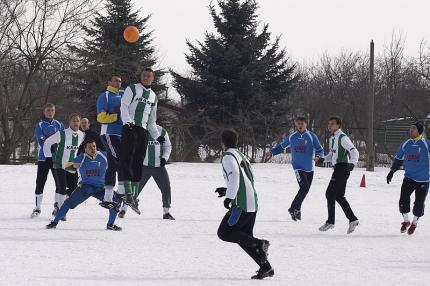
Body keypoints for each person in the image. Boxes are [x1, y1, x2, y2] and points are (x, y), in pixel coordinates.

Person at [216, 129, 274, 280]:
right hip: (251, 201)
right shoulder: (240, 154)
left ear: (222, 142)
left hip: (241, 204)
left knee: (224, 233)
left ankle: (260, 243)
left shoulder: (228, 157)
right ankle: (266, 268)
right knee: (243, 238)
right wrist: (227, 190)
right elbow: (246, 177)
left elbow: (235, 175)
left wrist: (229, 196)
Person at [46, 140, 122, 231]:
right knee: (67, 203)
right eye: (89, 147)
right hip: (86, 188)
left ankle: (110, 224)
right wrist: (73, 165)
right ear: (85, 149)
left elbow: (116, 158)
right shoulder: (81, 158)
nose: (92, 148)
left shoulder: (104, 155)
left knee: (116, 201)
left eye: (94, 146)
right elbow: (67, 167)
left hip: (101, 188)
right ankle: (54, 222)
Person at [118, 68, 165, 214]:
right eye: (144, 75)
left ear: (153, 78)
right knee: (128, 159)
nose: (146, 77)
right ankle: (127, 193)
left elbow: (152, 120)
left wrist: (157, 136)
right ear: (141, 76)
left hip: (143, 131)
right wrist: (127, 121)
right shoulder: (132, 88)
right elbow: (124, 106)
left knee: (139, 161)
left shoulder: (153, 97)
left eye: (149, 76)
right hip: (130, 127)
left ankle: (134, 196)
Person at [266, 116, 323, 221]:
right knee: (304, 188)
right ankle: (294, 209)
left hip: (309, 168)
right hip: (298, 167)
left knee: (305, 190)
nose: (300, 125)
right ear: (296, 124)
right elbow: (282, 146)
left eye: (302, 123)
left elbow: (320, 149)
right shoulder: (292, 137)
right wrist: (272, 152)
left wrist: (318, 157)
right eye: (298, 124)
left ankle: (295, 208)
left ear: (306, 124)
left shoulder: (311, 136)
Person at [118, 124, 174, 220]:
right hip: (143, 166)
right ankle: (123, 209)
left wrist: (164, 158)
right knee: (134, 189)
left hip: (159, 166)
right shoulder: (140, 130)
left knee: (166, 188)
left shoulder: (162, 131)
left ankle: (166, 212)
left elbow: (167, 146)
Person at [318, 116, 360, 234]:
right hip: (338, 168)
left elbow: (354, 151)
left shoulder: (342, 137)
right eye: (329, 123)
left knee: (329, 193)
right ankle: (353, 219)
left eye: (332, 124)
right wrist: (322, 159)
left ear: (338, 125)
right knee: (339, 196)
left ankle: (330, 222)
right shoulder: (333, 138)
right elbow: (332, 155)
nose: (329, 125)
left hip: (342, 168)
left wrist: (352, 163)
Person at [386, 122, 430, 235]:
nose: (411, 130)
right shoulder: (405, 144)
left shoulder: (426, 144)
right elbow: (398, 160)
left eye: (413, 129)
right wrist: (391, 172)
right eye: (410, 128)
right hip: (409, 178)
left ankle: (414, 223)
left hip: (423, 179)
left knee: (419, 203)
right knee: (403, 199)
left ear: (419, 131)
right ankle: (406, 221)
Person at [43, 113, 85, 219]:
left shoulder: (81, 135)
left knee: (74, 188)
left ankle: (58, 204)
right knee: (61, 187)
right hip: (59, 164)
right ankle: (61, 211)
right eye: (73, 121)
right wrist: (48, 156)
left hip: (71, 165)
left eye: (77, 121)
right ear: (69, 122)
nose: (76, 123)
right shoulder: (62, 134)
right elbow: (47, 142)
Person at [31, 103, 64, 217]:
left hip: (57, 159)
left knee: (59, 183)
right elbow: (42, 141)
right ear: (44, 112)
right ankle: (37, 208)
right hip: (43, 158)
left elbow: (63, 140)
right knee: (40, 182)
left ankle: (57, 207)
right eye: (48, 110)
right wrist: (52, 143)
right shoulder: (40, 125)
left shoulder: (59, 124)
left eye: (52, 110)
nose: (50, 112)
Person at [96, 75, 124, 209]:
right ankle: (121, 192)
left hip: (122, 134)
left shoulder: (124, 94)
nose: (118, 83)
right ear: (109, 82)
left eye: (120, 81)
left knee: (112, 165)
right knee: (121, 159)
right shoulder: (105, 96)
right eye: (115, 80)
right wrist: (118, 116)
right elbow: (101, 117)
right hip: (109, 133)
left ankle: (107, 198)